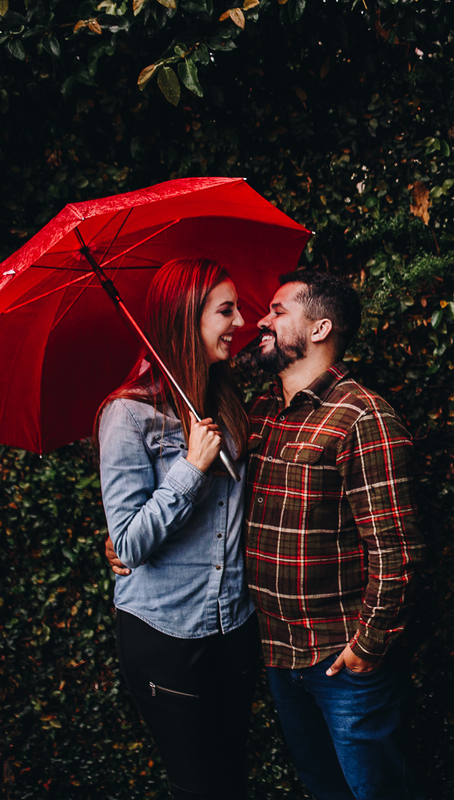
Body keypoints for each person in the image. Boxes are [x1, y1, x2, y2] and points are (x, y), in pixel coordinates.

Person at [245, 270, 425, 800]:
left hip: (340, 659)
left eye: (278, 311)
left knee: (374, 791)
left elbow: (396, 549)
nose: (262, 321)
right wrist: (132, 533)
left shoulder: (362, 417)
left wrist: (368, 644)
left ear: (320, 328)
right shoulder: (261, 413)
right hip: (277, 651)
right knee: (322, 787)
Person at [96, 257, 259, 800]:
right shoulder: (128, 416)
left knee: (231, 779)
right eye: (226, 311)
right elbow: (129, 544)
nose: (240, 322)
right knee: (199, 787)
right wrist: (191, 468)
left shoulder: (226, 402)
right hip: (166, 633)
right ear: (188, 317)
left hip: (234, 625)